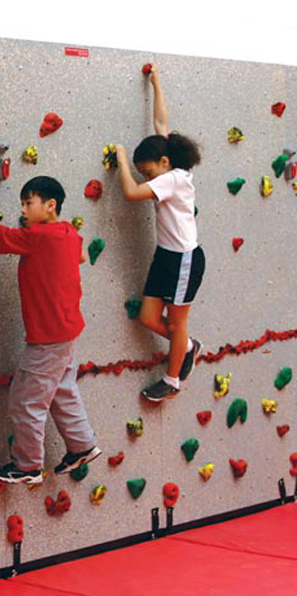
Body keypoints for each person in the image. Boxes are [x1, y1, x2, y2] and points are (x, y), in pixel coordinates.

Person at [0, 173, 100, 484]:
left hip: (47, 337)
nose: (24, 211)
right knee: (62, 390)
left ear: (50, 205)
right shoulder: (67, 232)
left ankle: (27, 466)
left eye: (29, 203)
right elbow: (81, 255)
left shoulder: (39, 236)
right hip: (66, 330)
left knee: (26, 403)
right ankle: (82, 445)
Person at [114, 63, 204, 402]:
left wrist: (123, 159)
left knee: (176, 324)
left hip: (184, 260)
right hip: (166, 256)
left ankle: (172, 379)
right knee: (148, 317)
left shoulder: (173, 179)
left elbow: (131, 193)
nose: (147, 177)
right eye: (143, 173)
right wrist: (157, 84)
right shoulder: (169, 166)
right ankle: (189, 347)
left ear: (164, 163)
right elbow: (162, 124)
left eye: (148, 171)